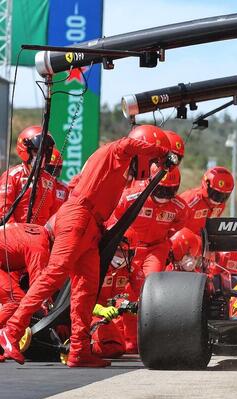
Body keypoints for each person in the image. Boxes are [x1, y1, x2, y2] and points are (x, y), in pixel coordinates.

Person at [0, 124, 172, 367]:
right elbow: (128, 144)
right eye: (151, 159)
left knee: (86, 289)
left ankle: (79, 350)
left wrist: (161, 162)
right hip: (78, 216)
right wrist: (162, 152)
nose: (152, 166)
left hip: (91, 225)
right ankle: (12, 330)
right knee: (54, 275)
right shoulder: (116, 152)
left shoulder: (122, 169)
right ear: (142, 149)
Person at [112, 164, 189, 276]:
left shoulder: (180, 207)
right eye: (160, 189)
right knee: (123, 279)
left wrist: (163, 235)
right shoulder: (131, 197)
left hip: (156, 248)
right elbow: (116, 217)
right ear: (150, 181)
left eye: (169, 190)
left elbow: (180, 223)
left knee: (151, 280)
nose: (164, 194)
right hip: (130, 247)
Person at [91, 241, 145, 358]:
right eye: (119, 250)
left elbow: (145, 293)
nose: (122, 255)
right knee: (106, 347)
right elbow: (76, 299)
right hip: (85, 314)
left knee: (116, 348)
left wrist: (138, 307)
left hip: (106, 315)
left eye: (126, 251)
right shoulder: (94, 264)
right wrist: (100, 310)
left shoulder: (131, 267)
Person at [0, 126, 58, 225]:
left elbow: (54, 214)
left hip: (41, 236)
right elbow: (3, 209)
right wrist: (17, 233)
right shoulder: (12, 176)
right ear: (25, 150)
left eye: (45, 152)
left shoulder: (50, 181)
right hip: (15, 235)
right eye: (36, 151)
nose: (42, 156)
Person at [0, 223, 52, 328]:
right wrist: (49, 311)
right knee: (16, 301)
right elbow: (39, 286)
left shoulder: (37, 229)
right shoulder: (41, 247)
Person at [181, 167, 234, 234]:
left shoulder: (221, 205)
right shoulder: (191, 200)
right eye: (216, 194)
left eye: (224, 196)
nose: (219, 199)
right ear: (206, 185)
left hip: (202, 241)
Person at [45, 148, 70, 214]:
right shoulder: (33, 185)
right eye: (49, 169)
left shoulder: (65, 189)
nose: (52, 173)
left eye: (56, 169)